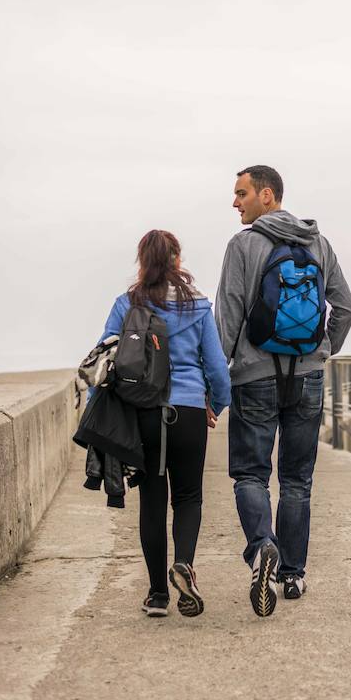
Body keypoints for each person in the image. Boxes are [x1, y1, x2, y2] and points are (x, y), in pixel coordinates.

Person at [215, 166, 351, 618]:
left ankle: (261, 548)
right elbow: (345, 308)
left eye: (242, 193)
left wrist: (216, 382)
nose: (235, 203)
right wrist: (322, 350)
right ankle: (293, 574)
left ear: (267, 196)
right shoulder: (319, 242)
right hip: (308, 376)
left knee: (251, 475)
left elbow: (228, 318)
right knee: (297, 479)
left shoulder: (243, 245)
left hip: (253, 377)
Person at [96, 230, 230, 618]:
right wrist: (215, 406)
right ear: (176, 259)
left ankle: (157, 595)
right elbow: (218, 370)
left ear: (143, 260)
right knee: (188, 496)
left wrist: (100, 414)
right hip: (188, 411)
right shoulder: (199, 307)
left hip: (145, 414)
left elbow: (105, 361)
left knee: (152, 499)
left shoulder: (126, 305)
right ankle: (184, 565)